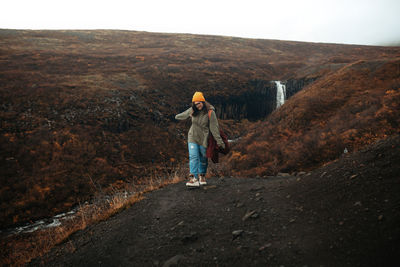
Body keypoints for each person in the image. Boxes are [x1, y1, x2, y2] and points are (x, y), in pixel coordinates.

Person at [175, 92, 225, 187]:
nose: (197, 105)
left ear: (203, 101)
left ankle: (202, 176)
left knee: (203, 158)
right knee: (193, 157)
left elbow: (214, 128)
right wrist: (176, 116)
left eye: (199, 103)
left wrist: (220, 142)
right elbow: (183, 114)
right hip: (192, 137)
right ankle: (193, 178)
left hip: (203, 139)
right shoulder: (193, 110)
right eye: (195, 104)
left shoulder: (210, 112)